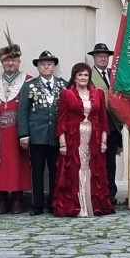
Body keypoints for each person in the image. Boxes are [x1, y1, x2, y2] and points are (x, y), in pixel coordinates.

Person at [52, 63, 114, 217]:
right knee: (74, 170)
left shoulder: (98, 93)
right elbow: (62, 119)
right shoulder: (66, 94)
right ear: (74, 77)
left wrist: (104, 141)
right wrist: (62, 142)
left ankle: (94, 205)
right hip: (73, 138)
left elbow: (103, 119)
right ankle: (76, 205)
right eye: (80, 75)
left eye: (86, 75)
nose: (83, 78)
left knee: (93, 169)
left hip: (94, 139)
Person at [17, 50, 67, 216]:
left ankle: (54, 203)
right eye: (43, 64)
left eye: (49, 64)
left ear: (54, 66)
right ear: (38, 67)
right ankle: (37, 205)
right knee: (37, 172)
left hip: (56, 135)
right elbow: (22, 111)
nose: (46, 67)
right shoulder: (29, 85)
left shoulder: (63, 85)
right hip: (37, 135)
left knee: (55, 171)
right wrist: (23, 134)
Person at [0, 38, 31, 214]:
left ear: (19, 61)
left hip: (18, 129)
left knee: (18, 165)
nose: (10, 63)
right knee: (0, 165)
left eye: (13, 60)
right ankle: (2, 199)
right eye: (6, 60)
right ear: (1, 62)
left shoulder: (27, 80)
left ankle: (18, 199)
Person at [88, 42, 122, 204]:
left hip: (113, 125)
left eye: (105, 56)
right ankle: (96, 191)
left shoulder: (115, 74)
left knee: (110, 162)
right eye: (99, 56)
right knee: (95, 160)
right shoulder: (87, 75)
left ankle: (110, 192)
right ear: (93, 57)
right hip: (95, 125)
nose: (102, 58)